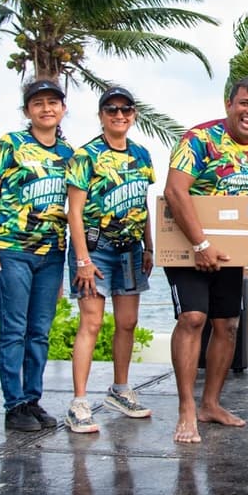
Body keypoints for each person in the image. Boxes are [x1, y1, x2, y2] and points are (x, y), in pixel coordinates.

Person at [165, 76, 248, 444]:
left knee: (227, 326)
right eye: (245, 103)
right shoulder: (198, 139)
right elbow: (175, 191)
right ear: (230, 104)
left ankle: (210, 404)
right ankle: (186, 408)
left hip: (230, 252)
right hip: (187, 247)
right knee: (193, 318)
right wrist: (200, 243)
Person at [0, 79, 74, 431]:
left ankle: (32, 399)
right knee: (14, 330)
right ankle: (14, 404)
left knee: (40, 332)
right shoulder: (11, 144)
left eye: (53, 102)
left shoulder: (70, 155)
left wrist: (67, 262)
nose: (46, 108)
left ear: (63, 109)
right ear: (27, 111)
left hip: (51, 254)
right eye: (38, 103)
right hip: (12, 250)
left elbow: (73, 208)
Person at [63, 86, 156, 433]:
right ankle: (79, 402)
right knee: (91, 322)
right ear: (101, 115)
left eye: (125, 109)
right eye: (111, 109)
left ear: (134, 115)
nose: (119, 115)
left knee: (128, 322)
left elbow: (141, 203)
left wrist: (149, 246)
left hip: (130, 250)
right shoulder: (86, 156)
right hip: (95, 248)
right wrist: (83, 260)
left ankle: (120, 389)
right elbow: (74, 211)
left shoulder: (142, 155)